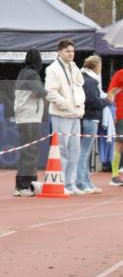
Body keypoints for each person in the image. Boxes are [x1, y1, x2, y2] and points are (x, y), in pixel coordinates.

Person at [45, 39, 85, 195]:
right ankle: (61, 183)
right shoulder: (53, 69)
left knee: (75, 151)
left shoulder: (73, 67)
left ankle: (70, 183)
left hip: (76, 115)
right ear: (59, 52)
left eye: (72, 51)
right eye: (67, 51)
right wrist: (66, 104)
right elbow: (50, 92)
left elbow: (79, 86)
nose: (71, 54)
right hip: (62, 115)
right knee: (62, 150)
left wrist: (78, 106)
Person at [13, 49, 49, 196]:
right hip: (30, 117)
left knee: (26, 152)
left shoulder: (22, 73)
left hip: (23, 117)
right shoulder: (32, 74)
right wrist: (47, 91)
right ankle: (25, 185)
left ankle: (25, 184)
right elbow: (39, 92)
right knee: (31, 152)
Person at [77, 56, 105, 194]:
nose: (101, 69)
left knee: (85, 152)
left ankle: (86, 181)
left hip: (88, 118)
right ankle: (82, 182)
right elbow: (92, 101)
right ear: (96, 67)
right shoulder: (90, 81)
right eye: (100, 66)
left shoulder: (86, 78)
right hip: (90, 119)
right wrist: (106, 101)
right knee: (84, 152)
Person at [106, 64, 123, 186]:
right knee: (119, 144)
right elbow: (110, 94)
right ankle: (115, 175)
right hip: (122, 114)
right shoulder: (120, 74)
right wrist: (113, 112)